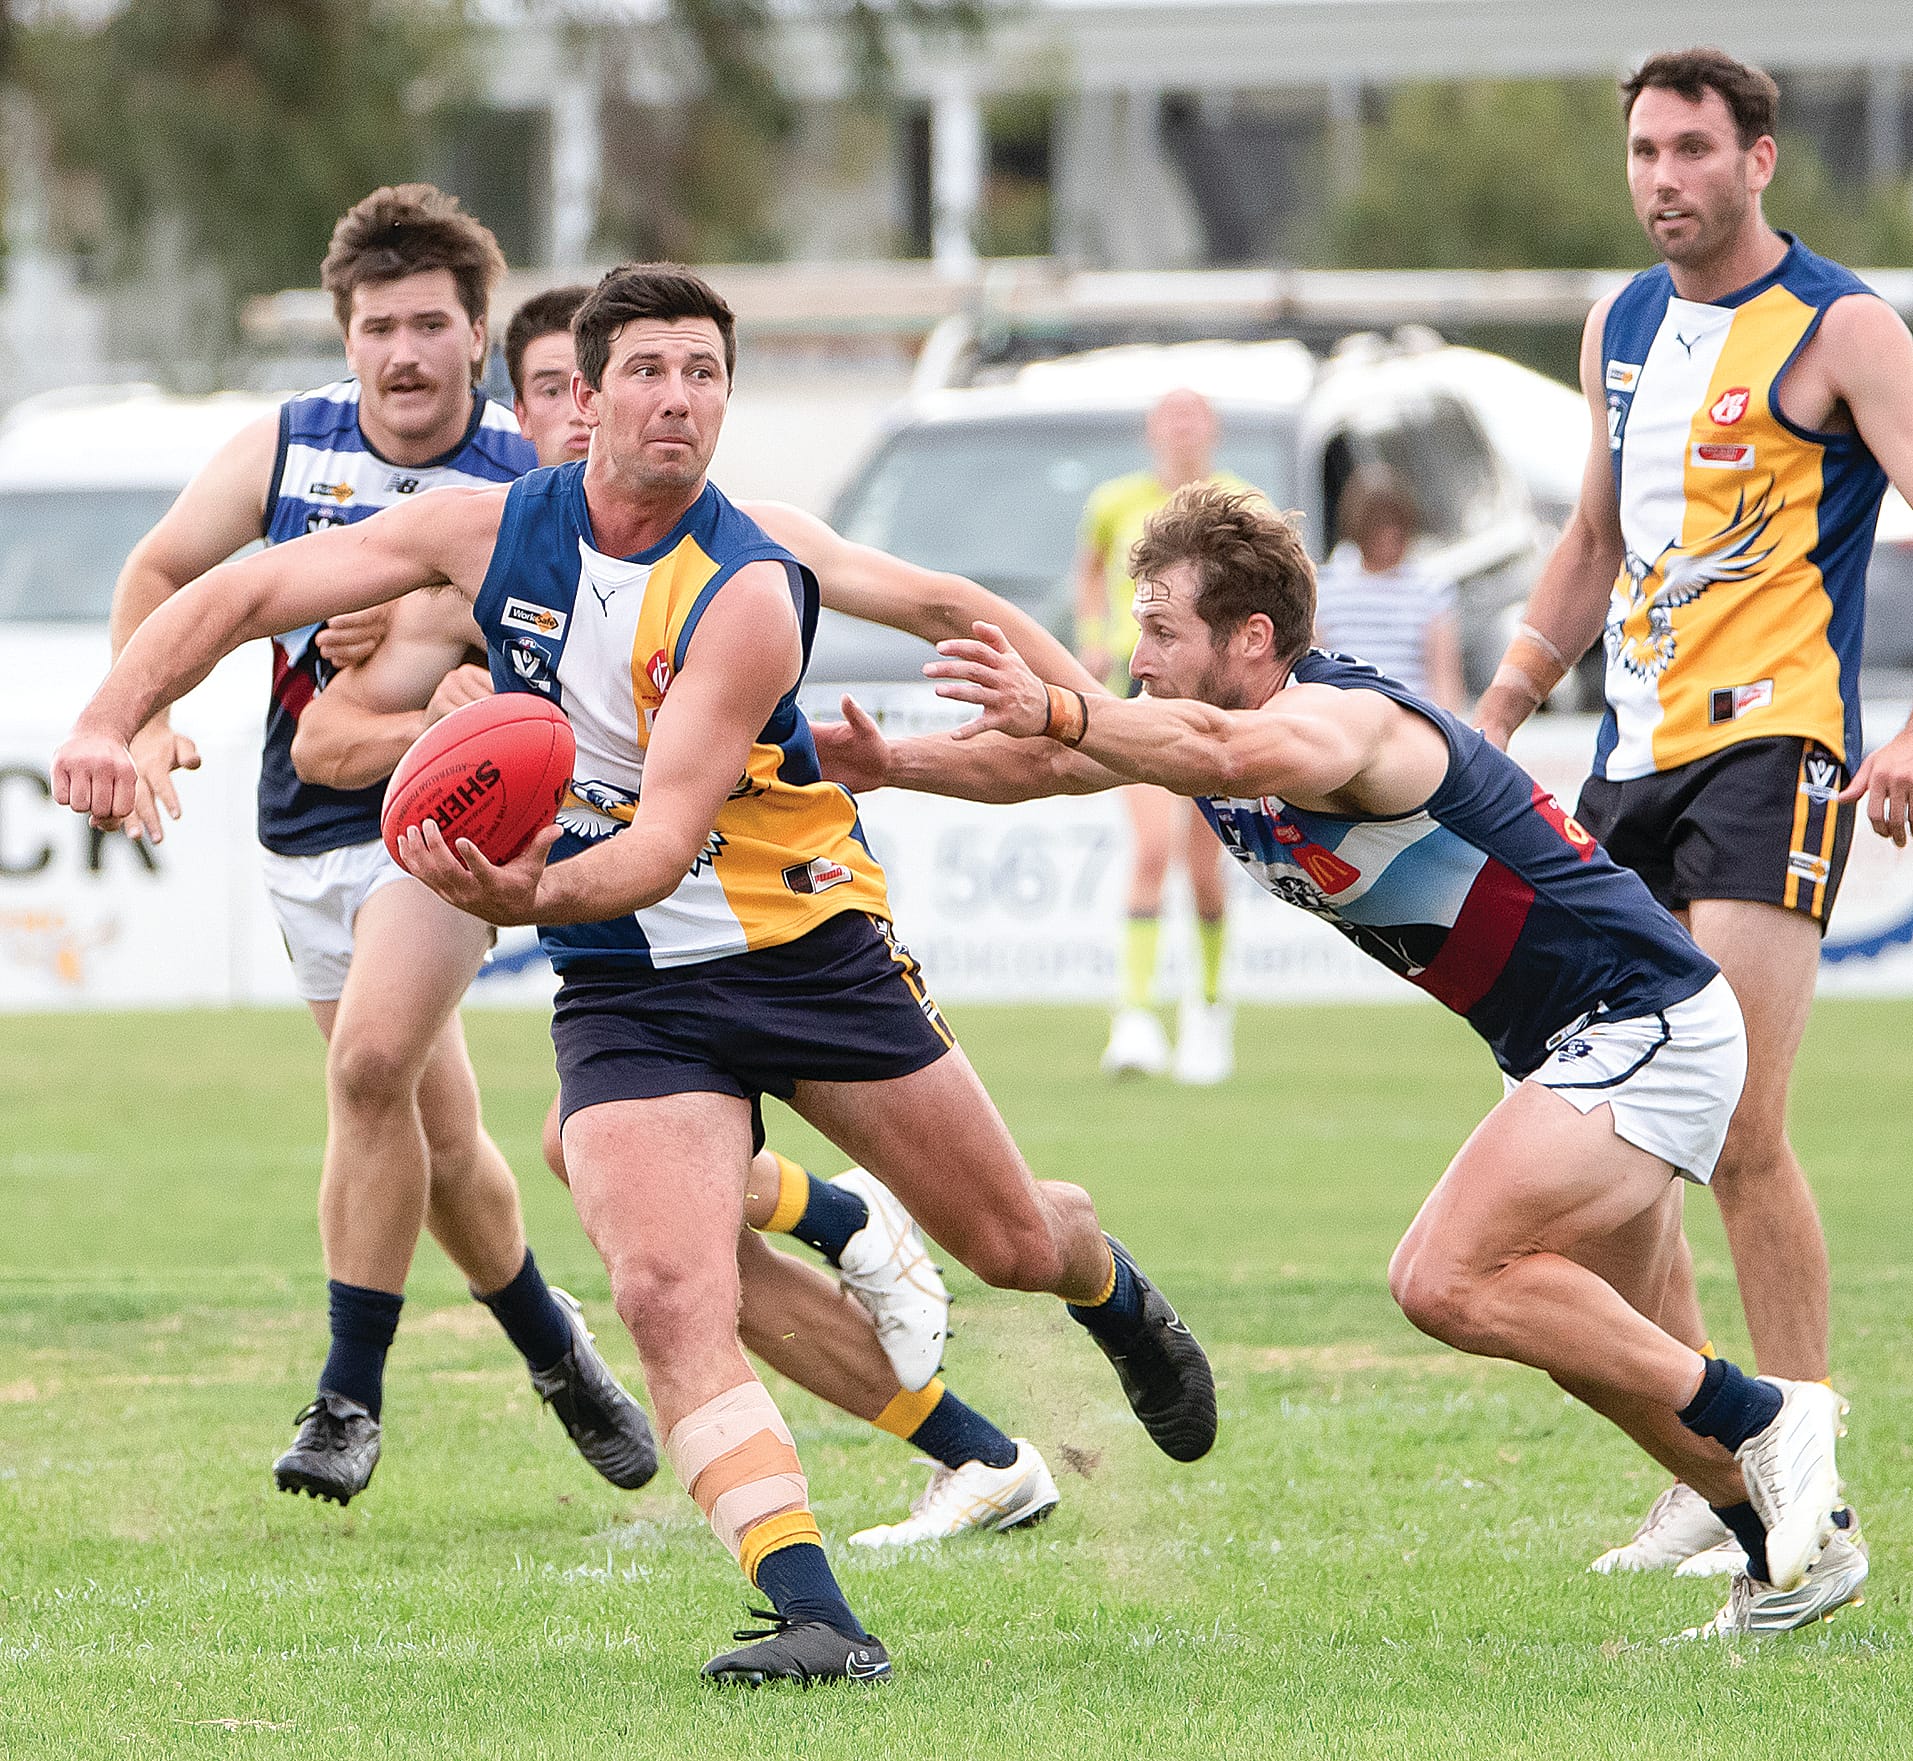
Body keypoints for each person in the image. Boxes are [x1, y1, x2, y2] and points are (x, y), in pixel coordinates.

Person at [54, 262, 1217, 1686]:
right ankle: (817, 1614)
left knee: (1011, 1245)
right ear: (584, 397)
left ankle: (1108, 1290)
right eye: (650, 369)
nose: (679, 396)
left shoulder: (744, 584)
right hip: (626, 984)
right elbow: (250, 587)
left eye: (706, 373)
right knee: (667, 1285)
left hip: (799, 947)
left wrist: (1086, 717)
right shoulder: (485, 534)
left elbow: (666, 839)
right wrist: (115, 711)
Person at [815, 482, 1851, 1643]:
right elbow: (1063, 767)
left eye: (1161, 631)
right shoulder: (1200, 732)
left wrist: (1059, 706)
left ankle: (1764, 1416)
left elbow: (1198, 742)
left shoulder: (1340, 724)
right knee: (1606, 1354)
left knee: (1444, 1279)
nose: (1136, 655)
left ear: (1249, 640)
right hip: (1559, 1045)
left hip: (1643, 1019)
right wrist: (890, 764)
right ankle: (1780, 1550)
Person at [290, 281, 1063, 1548]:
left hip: (761, 914)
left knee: (624, 1188)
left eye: (684, 376)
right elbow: (327, 738)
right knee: (623, 1223)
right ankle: (933, 1411)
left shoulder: (743, 548)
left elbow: (935, 602)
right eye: (548, 392)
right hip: (574, 912)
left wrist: (1118, 728)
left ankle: (871, 1288)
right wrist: (452, 733)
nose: (583, 409)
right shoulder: (468, 554)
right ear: (549, 405)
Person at [104, 184, 657, 1505]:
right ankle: (554, 1346)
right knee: (434, 1128)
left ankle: (348, 1394)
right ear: (344, 339)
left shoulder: (524, 478)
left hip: (453, 829)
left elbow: (580, 642)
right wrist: (149, 716)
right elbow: (160, 573)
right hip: (303, 825)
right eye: (375, 328)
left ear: (478, 336)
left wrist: (444, 647)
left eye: (427, 325)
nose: (402, 354)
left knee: (369, 1073)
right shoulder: (287, 446)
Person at [1473, 48, 1913, 1627]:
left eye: (1690, 150)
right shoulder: (1619, 324)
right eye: (1644, 151)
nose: (1662, 177)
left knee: (1735, 1123)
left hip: (1774, 750)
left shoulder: (1847, 326)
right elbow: (1591, 541)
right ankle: (1704, 1458)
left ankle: (1814, 1483)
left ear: (1759, 160)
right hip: (1627, 762)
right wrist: (1503, 705)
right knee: (1621, 1125)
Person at [1074, 389, 1255, 1084]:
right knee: (1150, 848)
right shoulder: (1116, 502)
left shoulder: (1239, 503)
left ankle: (1207, 1011)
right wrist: (1092, 639)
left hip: (1210, 696)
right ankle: (1136, 1015)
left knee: (1203, 864)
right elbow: (1090, 572)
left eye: (1193, 421)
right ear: (1153, 432)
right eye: (1170, 421)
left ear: (1210, 431)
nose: (1181, 433)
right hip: (1138, 687)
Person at [1314, 464, 1465, 711]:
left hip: (1412, 716)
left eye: (1397, 526)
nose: (1389, 536)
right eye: (1379, 526)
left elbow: (1444, 677)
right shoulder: (1326, 588)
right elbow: (1316, 665)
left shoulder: (1430, 590)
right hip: (1344, 716)